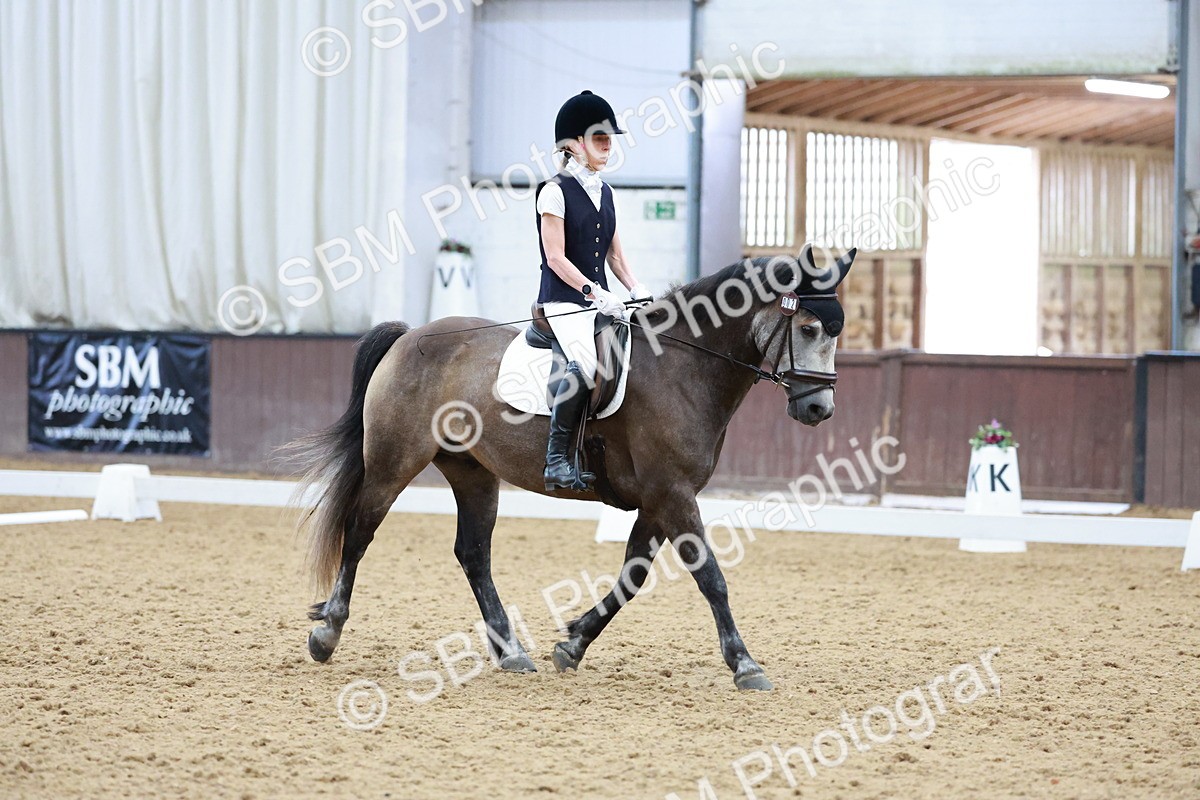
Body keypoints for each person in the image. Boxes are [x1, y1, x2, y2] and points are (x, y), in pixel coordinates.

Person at [535, 90, 651, 491]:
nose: (608, 145)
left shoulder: (606, 192)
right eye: (599, 138)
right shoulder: (554, 191)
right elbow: (555, 258)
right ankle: (555, 460)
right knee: (585, 365)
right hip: (563, 302)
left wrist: (637, 288)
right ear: (574, 144)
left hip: (600, 300)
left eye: (609, 139)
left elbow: (616, 259)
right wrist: (593, 291)